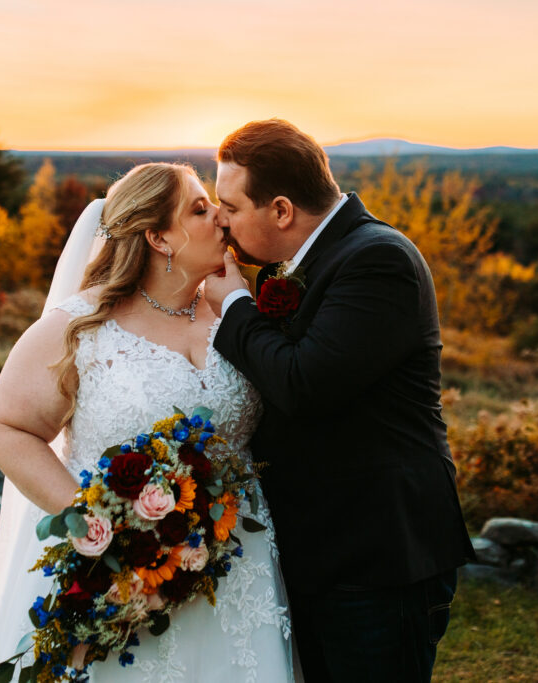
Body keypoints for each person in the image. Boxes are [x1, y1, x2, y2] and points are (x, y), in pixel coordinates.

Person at [0, 162, 295, 682]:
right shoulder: (81, 327)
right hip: (121, 572)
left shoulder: (237, 316)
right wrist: (93, 524)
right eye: (200, 209)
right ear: (158, 236)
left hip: (239, 571)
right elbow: (7, 429)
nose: (222, 221)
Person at [204, 119, 476, 682]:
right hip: (319, 554)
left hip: (377, 558)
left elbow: (304, 384)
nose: (221, 220)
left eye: (230, 205)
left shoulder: (379, 261)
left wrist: (234, 304)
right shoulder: (297, 263)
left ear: (281, 210)